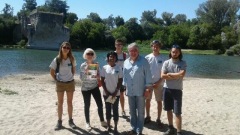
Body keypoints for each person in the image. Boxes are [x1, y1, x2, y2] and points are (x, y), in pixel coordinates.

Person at [123, 43, 153, 135]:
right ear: (128, 52)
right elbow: (125, 76)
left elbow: (148, 76)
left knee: (140, 113)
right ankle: (133, 128)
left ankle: (139, 130)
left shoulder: (144, 61)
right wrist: (125, 87)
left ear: (138, 51)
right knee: (132, 112)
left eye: (135, 50)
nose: (133, 52)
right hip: (130, 91)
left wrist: (148, 89)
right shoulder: (126, 62)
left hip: (141, 91)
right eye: (131, 51)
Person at [49, 41, 77, 130]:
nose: (66, 49)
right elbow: (51, 71)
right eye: (64, 47)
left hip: (70, 83)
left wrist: (70, 77)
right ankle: (59, 122)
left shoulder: (72, 59)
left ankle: (70, 121)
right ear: (61, 48)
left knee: (69, 103)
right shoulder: (57, 59)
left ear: (69, 50)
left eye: (68, 48)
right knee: (60, 103)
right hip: (60, 84)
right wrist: (57, 79)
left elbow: (73, 70)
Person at [161, 45, 187, 135]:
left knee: (177, 112)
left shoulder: (183, 63)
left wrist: (169, 74)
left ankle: (179, 132)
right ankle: (170, 127)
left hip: (177, 90)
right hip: (166, 89)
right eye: (173, 52)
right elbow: (162, 76)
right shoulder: (166, 63)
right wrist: (176, 75)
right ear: (170, 52)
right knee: (168, 110)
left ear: (179, 53)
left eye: (176, 52)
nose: (174, 53)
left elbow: (182, 74)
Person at [79, 48, 107, 130]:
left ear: (93, 55)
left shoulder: (96, 64)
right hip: (85, 88)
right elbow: (82, 79)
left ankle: (102, 120)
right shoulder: (83, 65)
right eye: (88, 54)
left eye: (91, 54)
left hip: (94, 87)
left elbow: (99, 77)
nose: (90, 55)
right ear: (85, 55)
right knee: (87, 105)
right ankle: (87, 123)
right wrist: (86, 70)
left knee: (100, 104)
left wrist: (98, 77)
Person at [101, 51, 123, 133]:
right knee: (107, 110)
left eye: (113, 57)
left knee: (115, 110)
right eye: (110, 56)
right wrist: (106, 91)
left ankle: (116, 127)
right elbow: (102, 80)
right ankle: (108, 126)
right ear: (108, 58)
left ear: (115, 58)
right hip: (106, 94)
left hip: (115, 94)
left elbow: (120, 80)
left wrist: (116, 91)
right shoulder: (104, 67)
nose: (111, 58)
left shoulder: (119, 68)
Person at [144, 40, 164, 127]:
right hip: (148, 83)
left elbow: (165, 73)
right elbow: (144, 71)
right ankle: (148, 116)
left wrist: (158, 82)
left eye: (157, 46)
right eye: (154, 46)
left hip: (159, 83)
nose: (155, 48)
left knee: (159, 101)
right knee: (147, 100)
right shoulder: (147, 57)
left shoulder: (163, 59)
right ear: (151, 46)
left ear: (159, 47)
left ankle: (158, 119)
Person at [114, 39, 128, 116]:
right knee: (113, 93)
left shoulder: (125, 55)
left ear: (122, 46)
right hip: (113, 77)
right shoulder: (112, 54)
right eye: (117, 44)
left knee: (121, 94)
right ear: (115, 45)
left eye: (120, 44)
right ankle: (113, 109)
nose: (118, 46)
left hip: (122, 77)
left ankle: (123, 110)